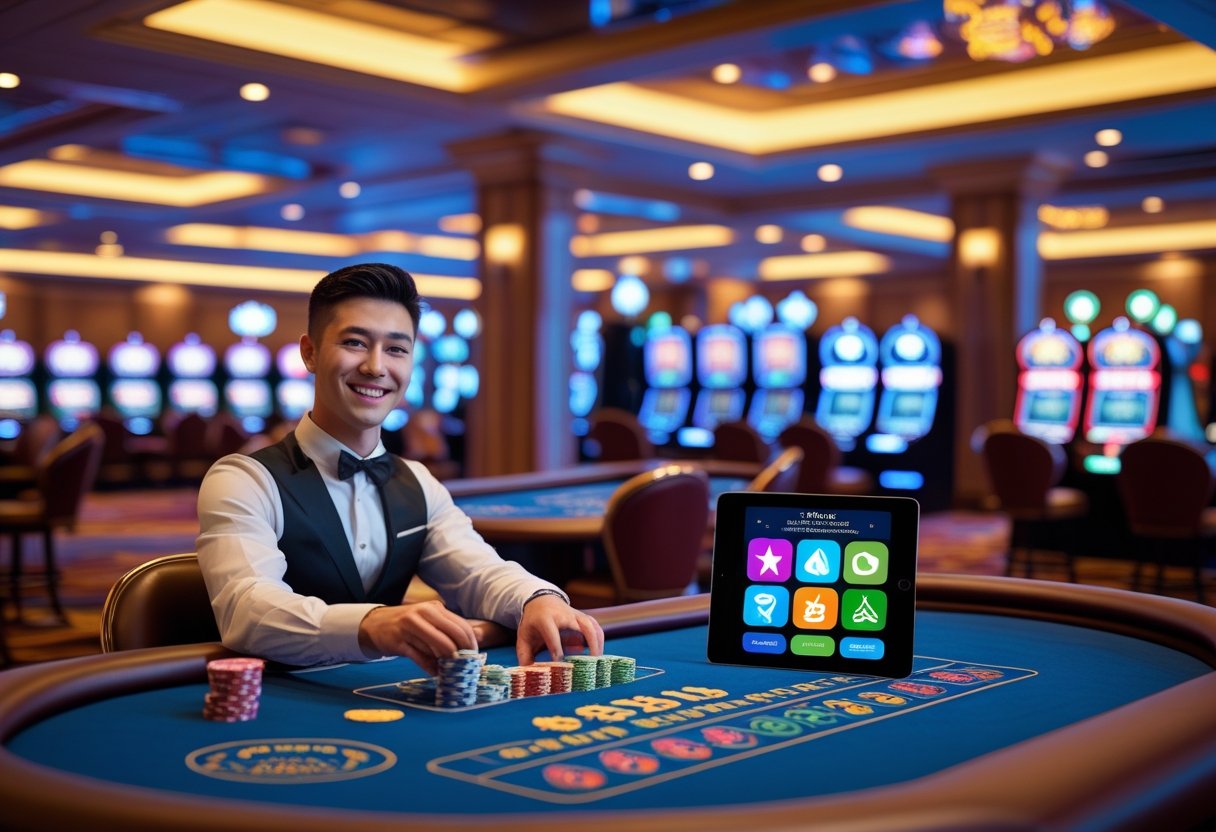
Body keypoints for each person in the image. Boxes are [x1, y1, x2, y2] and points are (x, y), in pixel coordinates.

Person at [197, 263, 604, 671]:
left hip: (387, 700)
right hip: (279, 706)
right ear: (310, 352)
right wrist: (371, 623)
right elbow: (246, 609)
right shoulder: (244, 479)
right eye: (355, 343)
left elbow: (478, 571)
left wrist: (538, 598)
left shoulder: (419, 483)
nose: (376, 367)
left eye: (396, 349)